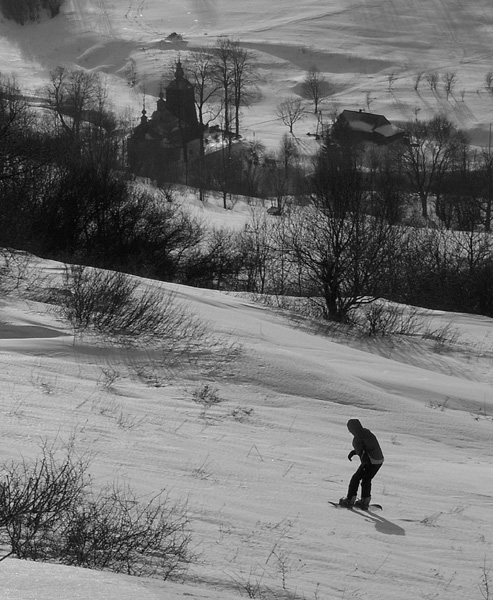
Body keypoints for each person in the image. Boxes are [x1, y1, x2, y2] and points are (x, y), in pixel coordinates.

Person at [339, 419, 384, 510]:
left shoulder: (357, 438)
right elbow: (368, 446)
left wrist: (364, 464)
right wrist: (354, 452)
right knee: (366, 480)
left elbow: (363, 452)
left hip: (370, 461)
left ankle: (349, 500)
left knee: (355, 478)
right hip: (379, 460)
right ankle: (365, 501)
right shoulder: (366, 432)